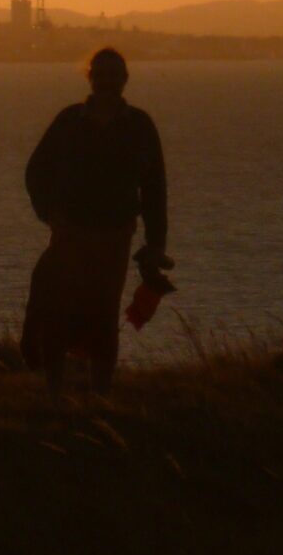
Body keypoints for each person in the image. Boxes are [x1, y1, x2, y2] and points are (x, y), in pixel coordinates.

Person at [20, 47, 170, 394]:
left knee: (104, 315)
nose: (107, 81)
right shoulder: (69, 121)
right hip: (69, 233)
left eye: (113, 75)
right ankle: (55, 390)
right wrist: (49, 214)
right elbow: (36, 171)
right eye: (100, 74)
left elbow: (155, 188)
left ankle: (100, 392)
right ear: (90, 78)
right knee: (57, 310)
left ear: (124, 79)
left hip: (115, 237)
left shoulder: (140, 126)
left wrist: (156, 243)